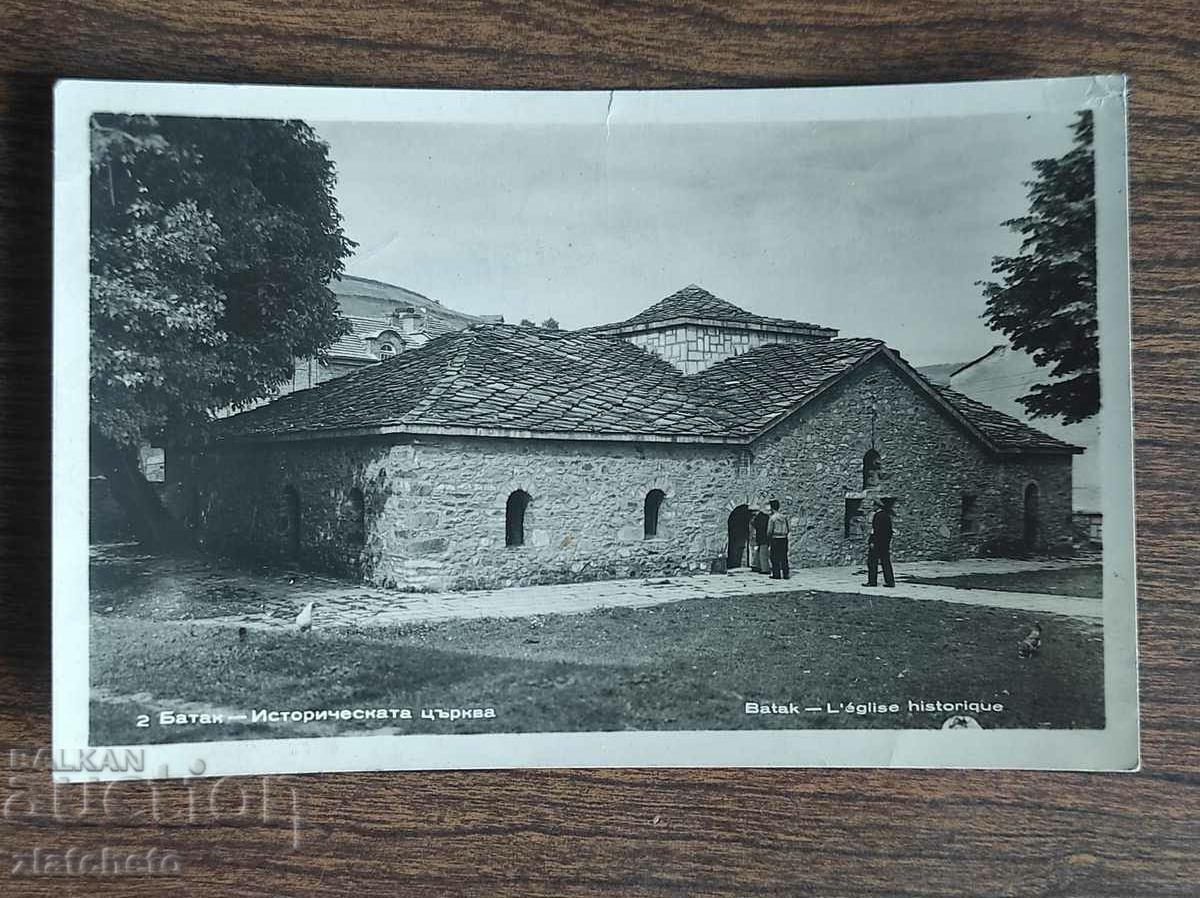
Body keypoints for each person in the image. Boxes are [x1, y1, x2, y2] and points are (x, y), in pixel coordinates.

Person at [864, 499, 895, 587]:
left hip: (877, 543)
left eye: (874, 505)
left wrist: (872, 541)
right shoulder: (886, 516)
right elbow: (889, 532)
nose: (872, 507)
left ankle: (872, 581)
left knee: (872, 562)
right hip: (884, 544)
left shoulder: (877, 516)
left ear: (877, 506)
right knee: (886, 562)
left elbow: (876, 531)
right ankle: (890, 581)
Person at [767, 498, 790, 580]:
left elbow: (769, 531)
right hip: (784, 538)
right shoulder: (784, 517)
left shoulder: (772, 518)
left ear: (772, 508)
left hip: (775, 538)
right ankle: (786, 573)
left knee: (774, 557)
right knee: (784, 557)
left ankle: (776, 574)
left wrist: (768, 539)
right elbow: (788, 528)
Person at [752, 506, 771, 575]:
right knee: (761, 553)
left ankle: (765, 569)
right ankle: (759, 566)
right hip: (765, 537)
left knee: (763, 554)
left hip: (762, 537)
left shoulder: (758, 518)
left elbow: (756, 526)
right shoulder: (766, 517)